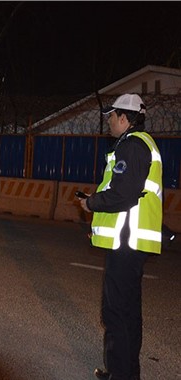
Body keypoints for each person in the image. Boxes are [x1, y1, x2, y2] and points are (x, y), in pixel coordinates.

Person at [78, 94, 163, 380]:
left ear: (124, 118)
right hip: (132, 242)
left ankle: (121, 375)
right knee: (127, 313)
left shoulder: (132, 146)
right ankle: (124, 373)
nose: (109, 121)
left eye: (112, 116)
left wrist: (91, 203)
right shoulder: (141, 144)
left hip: (127, 243)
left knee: (116, 312)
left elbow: (123, 195)